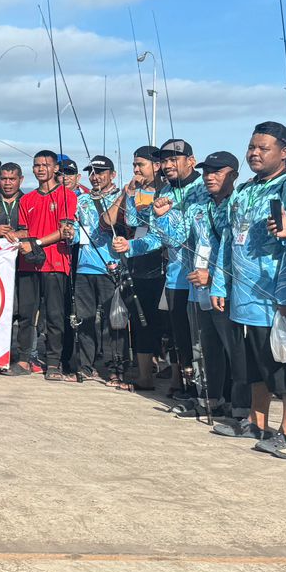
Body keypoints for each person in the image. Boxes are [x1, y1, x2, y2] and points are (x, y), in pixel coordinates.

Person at [209, 122, 286, 456]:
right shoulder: (245, 190)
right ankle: (256, 421)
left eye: (263, 148)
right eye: (251, 147)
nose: (254, 153)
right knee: (251, 367)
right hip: (242, 297)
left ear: (284, 152)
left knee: (282, 367)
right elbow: (227, 240)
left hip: (275, 297)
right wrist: (220, 282)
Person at [189, 151, 253, 433]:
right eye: (206, 171)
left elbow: (239, 251)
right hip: (201, 289)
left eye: (217, 171)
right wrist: (156, 213)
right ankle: (213, 399)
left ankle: (241, 408)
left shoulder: (237, 205)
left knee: (236, 351)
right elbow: (175, 235)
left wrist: (215, 276)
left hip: (229, 289)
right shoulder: (200, 205)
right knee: (209, 347)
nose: (209, 176)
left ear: (234, 176)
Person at [154, 139, 208, 398]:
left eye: (174, 158)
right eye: (164, 160)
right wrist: (129, 246)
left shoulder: (205, 186)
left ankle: (207, 390)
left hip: (203, 278)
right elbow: (160, 237)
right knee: (181, 337)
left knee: (204, 339)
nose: (168, 165)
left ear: (191, 160)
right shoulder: (162, 192)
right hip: (175, 276)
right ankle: (186, 385)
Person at [19, 149, 78, 380]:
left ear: (55, 168)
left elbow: (64, 231)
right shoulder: (27, 199)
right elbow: (23, 230)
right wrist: (18, 238)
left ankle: (53, 363)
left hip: (55, 262)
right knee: (25, 314)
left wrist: (36, 242)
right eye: (36, 165)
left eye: (45, 165)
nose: (40, 169)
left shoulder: (67, 195)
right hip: (28, 264)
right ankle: (23, 358)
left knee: (55, 315)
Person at [114, 145, 169, 389]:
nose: (136, 169)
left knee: (166, 324)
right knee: (141, 318)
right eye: (134, 165)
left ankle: (174, 373)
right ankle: (145, 375)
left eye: (140, 165)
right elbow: (132, 221)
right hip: (140, 262)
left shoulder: (168, 191)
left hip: (166, 265)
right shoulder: (136, 192)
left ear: (156, 166)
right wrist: (130, 192)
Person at [69, 157, 124, 385]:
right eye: (91, 172)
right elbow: (73, 229)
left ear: (112, 174)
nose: (95, 176)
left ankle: (116, 368)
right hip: (84, 268)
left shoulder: (122, 198)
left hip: (111, 268)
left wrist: (123, 196)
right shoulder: (81, 200)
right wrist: (67, 232)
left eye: (101, 172)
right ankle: (85, 366)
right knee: (84, 320)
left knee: (115, 321)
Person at [0, 162, 33, 375]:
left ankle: (23, 359)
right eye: (4, 178)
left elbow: (37, 228)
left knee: (25, 312)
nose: (7, 183)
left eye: (12, 179)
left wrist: (19, 234)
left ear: (20, 180)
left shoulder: (29, 200)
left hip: (24, 265)